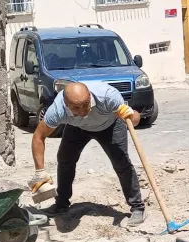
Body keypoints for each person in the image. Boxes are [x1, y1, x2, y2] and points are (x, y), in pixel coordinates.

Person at [29, 81, 146, 226]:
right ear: (66, 104)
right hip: (77, 128)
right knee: (65, 160)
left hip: (110, 125)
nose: (83, 110)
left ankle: (137, 207)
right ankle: (61, 205)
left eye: (86, 103)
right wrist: (39, 171)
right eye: (76, 108)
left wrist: (131, 115)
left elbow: (134, 121)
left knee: (121, 162)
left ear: (89, 95)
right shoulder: (58, 110)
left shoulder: (108, 97)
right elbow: (38, 137)